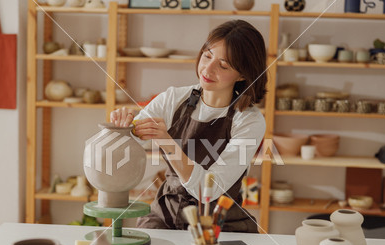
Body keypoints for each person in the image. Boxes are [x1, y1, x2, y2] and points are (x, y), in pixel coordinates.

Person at [110, 20, 267, 232]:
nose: (208, 69)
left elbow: (208, 190)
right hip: (167, 213)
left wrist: (167, 143)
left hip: (220, 220)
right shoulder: (174, 98)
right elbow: (134, 135)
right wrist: (122, 128)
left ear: (242, 75)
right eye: (207, 55)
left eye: (223, 65)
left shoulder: (248, 120)